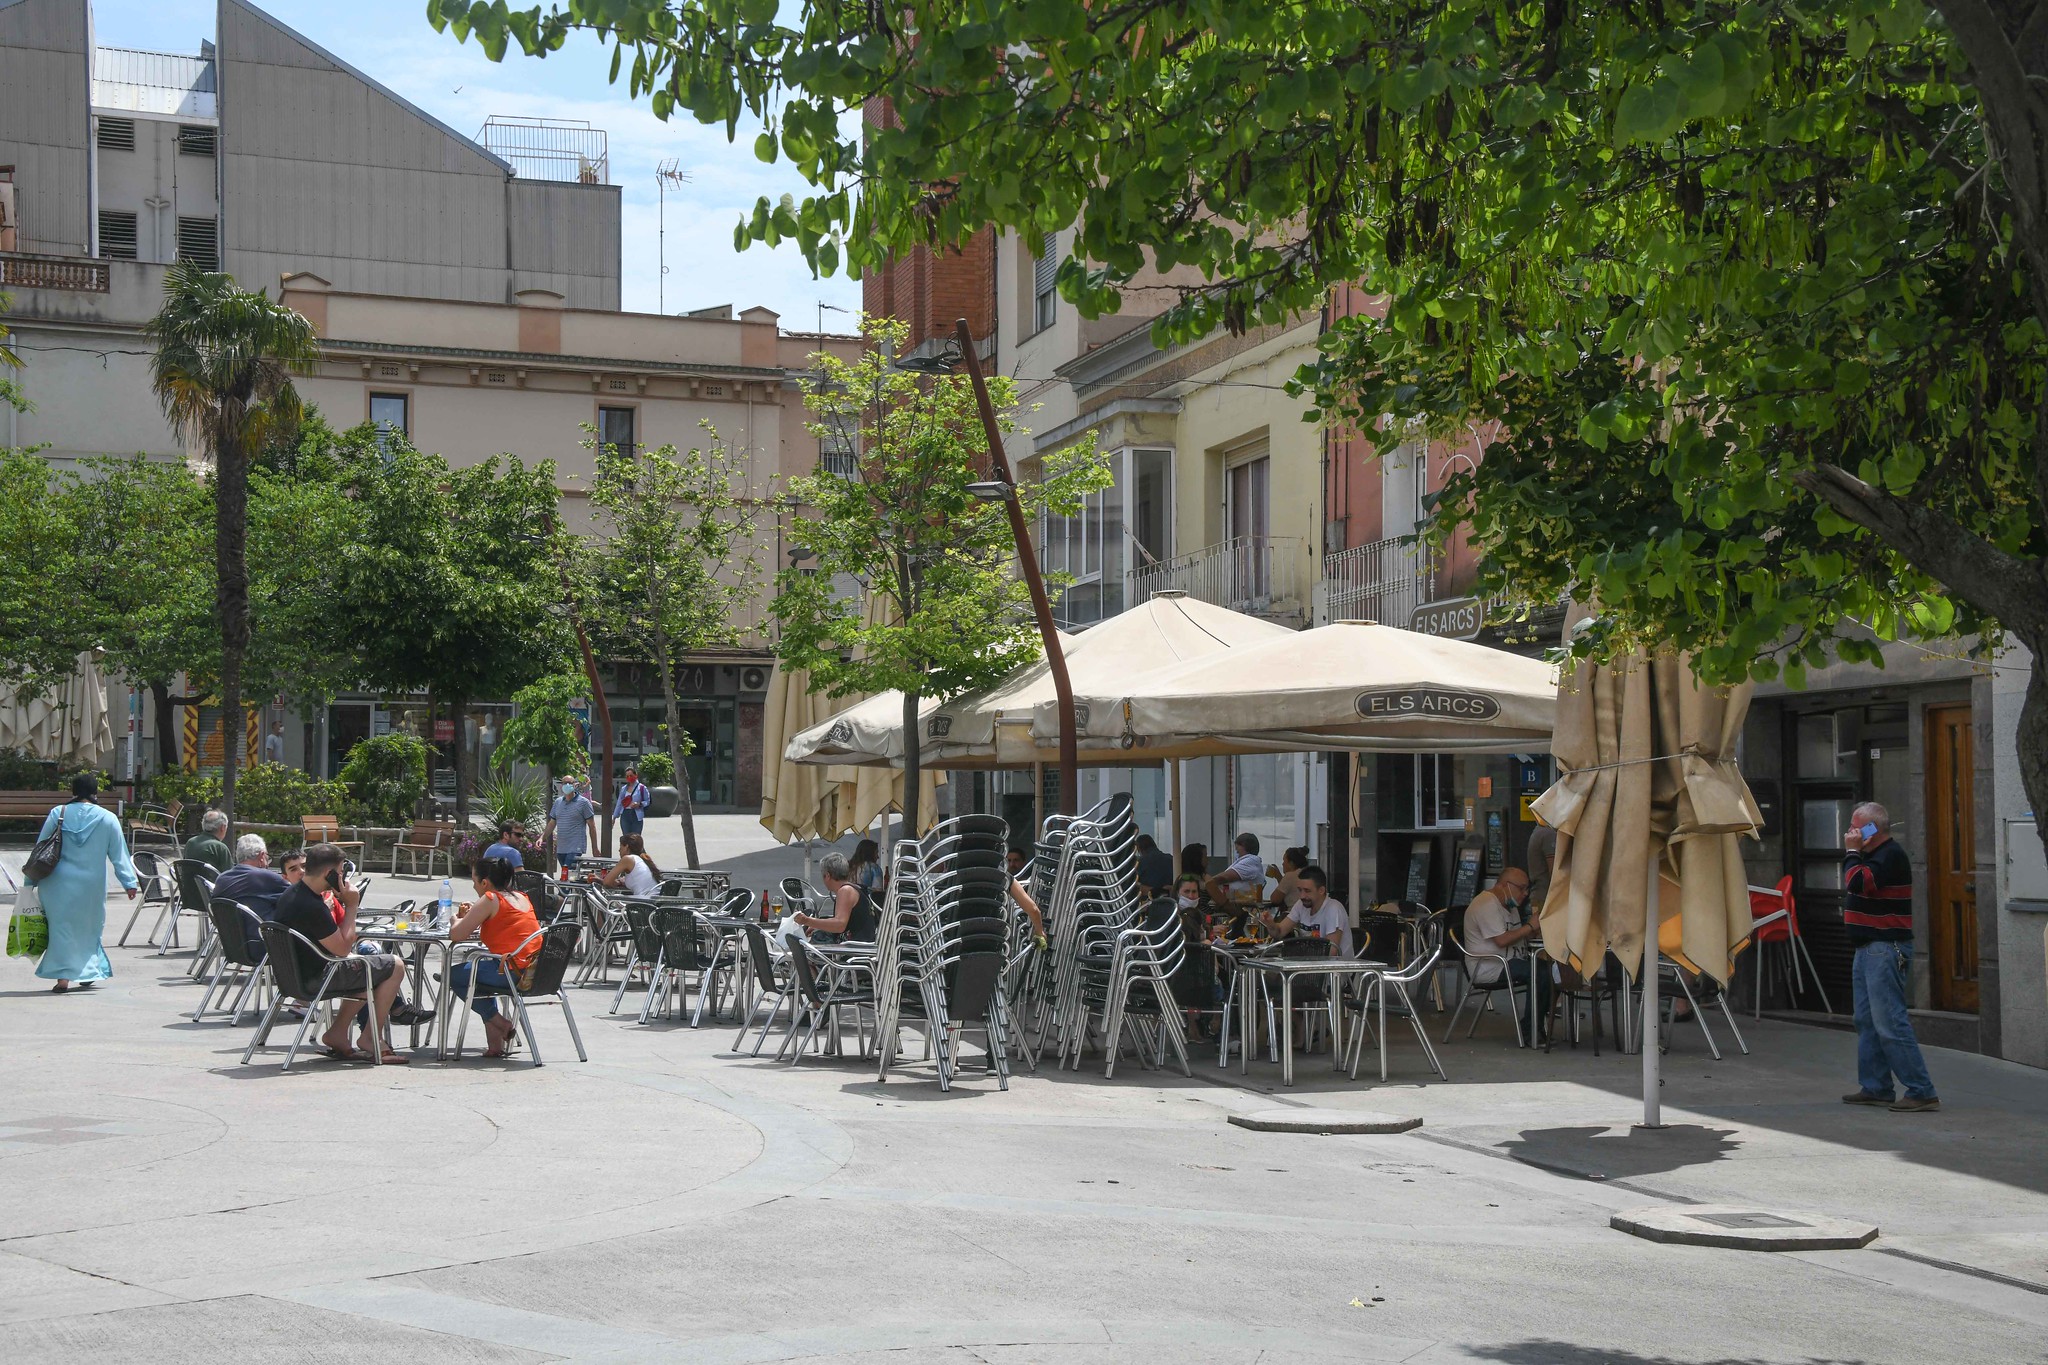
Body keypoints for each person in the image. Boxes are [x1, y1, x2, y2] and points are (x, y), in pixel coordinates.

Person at [1841, 802, 1939, 1112]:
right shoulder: (1869, 856)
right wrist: (1857, 852)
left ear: (1873, 829)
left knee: (1890, 1022)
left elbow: (1858, 882)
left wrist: (1853, 851)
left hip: (1885, 947)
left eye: (1857, 827)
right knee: (1866, 1020)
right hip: (1867, 947)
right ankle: (1876, 1086)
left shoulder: (1890, 855)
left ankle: (1921, 1089)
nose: (1851, 832)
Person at [271, 843, 407, 1063]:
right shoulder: (311, 905)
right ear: (329, 874)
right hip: (316, 979)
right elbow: (343, 949)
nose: (343, 877)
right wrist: (352, 905)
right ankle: (370, 1038)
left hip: (293, 978)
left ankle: (338, 1033)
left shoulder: (292, 894)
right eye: (341, 872)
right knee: (395, 965)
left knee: (367, 968)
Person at [26, 774, 138, 992]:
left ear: (73, 791)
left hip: (55, 884)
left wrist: (29, 881)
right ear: (96, 791)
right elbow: (119, 855)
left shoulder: (59, 813)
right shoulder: (108, 818)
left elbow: (40, 849)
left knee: (61, 929)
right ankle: (87, 971)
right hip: (91, 886)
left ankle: (63, 978)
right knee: (90, 929)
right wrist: (129, 882)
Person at [445, 854, 547, 1058]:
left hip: (513, 973)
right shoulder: (521, 897)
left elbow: (457, 934)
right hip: (538, 971)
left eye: (474, 882)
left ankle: (500, 1022)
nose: (474, 887)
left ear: (484, 882)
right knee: (480, 970)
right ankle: (495, 1046)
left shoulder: (490, 899)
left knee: (453, 975)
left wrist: (455, 918)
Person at [1461, 867, 1548, 1044]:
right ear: (1503, 885)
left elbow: (1516, 935)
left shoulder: (1510, 905)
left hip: (1510, 961)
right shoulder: (1485, 905)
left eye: (1527, 889)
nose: (1525, 893)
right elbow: (1501, 940)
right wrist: (1530, 927)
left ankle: (1535, 1026)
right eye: (1521, 888)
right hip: (1490, 966)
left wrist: (1533, 931)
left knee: (1549, 971)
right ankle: (1530, 1030)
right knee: (1540, 973)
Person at [212, 833, 290, 958]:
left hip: (232, 945)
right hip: (263, 946)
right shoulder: (265, 877)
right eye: (267, 858)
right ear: (261, 856)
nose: (267, 864)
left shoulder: (222, 878)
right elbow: (299, 898)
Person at [1261, 864, 1354, 957]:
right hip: (1308, 965)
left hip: (1335, 969)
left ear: (1321, 890)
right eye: (1300, 890)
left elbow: (1331, 952)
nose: (1302, 896)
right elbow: (1279, 932)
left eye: (1307, 891)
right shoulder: (1301, 905)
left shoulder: (1334, 909)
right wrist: (1270, 924)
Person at [794, 851, 880, 944]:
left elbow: (839, 925)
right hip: (862, 945)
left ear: (827, 875)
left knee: (804, 947)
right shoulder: (855, 888)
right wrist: (818, 924)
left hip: (855, 950)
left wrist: (807, 921)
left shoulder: (845, 891)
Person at [180, 809, 232, 906]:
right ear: (223, 827)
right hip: (212, 899)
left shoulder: (191, 842)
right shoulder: (220, 847)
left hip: (189, 896)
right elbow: (229, 876)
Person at [545, 778, 598, 873]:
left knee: (566, 872)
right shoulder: (558, 802)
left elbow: (592, 826)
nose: (567, 785)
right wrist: (542, 838)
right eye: (565, 783)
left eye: (570, 783)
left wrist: (595, 847)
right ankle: (573, 888)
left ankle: (567, 888)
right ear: (561, 786)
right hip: (561, 848)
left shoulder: (584, 803)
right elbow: (552, 823)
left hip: (575, 847)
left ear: (575, 785)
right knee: (569, 876)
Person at [1204, 832, 1266, 905]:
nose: (1236, 852)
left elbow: (1225, 877)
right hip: (1230, 900)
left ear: (1244, 846)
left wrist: (1206, 885)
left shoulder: (1251, 860)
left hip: (1241, 904)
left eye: (1237, 849)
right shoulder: (1244, 861)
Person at [597, 832, 662, 898]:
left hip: (645, 901)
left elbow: (607, 882)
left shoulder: (627, 859)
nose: (619, 850)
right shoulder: (641, 860)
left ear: (626, 847)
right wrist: (620, 882)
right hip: (652, 899)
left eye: (621, 846)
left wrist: (598, 879)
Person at [1526, 818, 1558, 915]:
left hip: (1539, 896)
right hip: (1546, 898)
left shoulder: (1539, 831)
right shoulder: (1549, 834)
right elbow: (1554, 872)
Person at [614, 765, 650, 838]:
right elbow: (619, 803)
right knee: (626, 837)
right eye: (627, 776)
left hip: (636, 814)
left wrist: (639, 804)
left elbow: (647, 801)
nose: (629, 778)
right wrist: (614, 817)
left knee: (635, 838)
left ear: (635, 775)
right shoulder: (624, 788)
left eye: (631, 775)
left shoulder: (642, 788)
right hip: (625, 814)